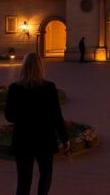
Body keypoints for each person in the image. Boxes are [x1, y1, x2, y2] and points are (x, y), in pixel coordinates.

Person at [5, 52, 69, 195]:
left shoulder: (15, 88)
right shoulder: (49, 87)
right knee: (46, 173)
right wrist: (65, 138)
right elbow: (56, 116)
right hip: (44, 138)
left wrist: (24, 116)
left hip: (23, 139)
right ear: (41, 67)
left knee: (23, 181)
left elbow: (9, 116)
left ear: (24, 67)